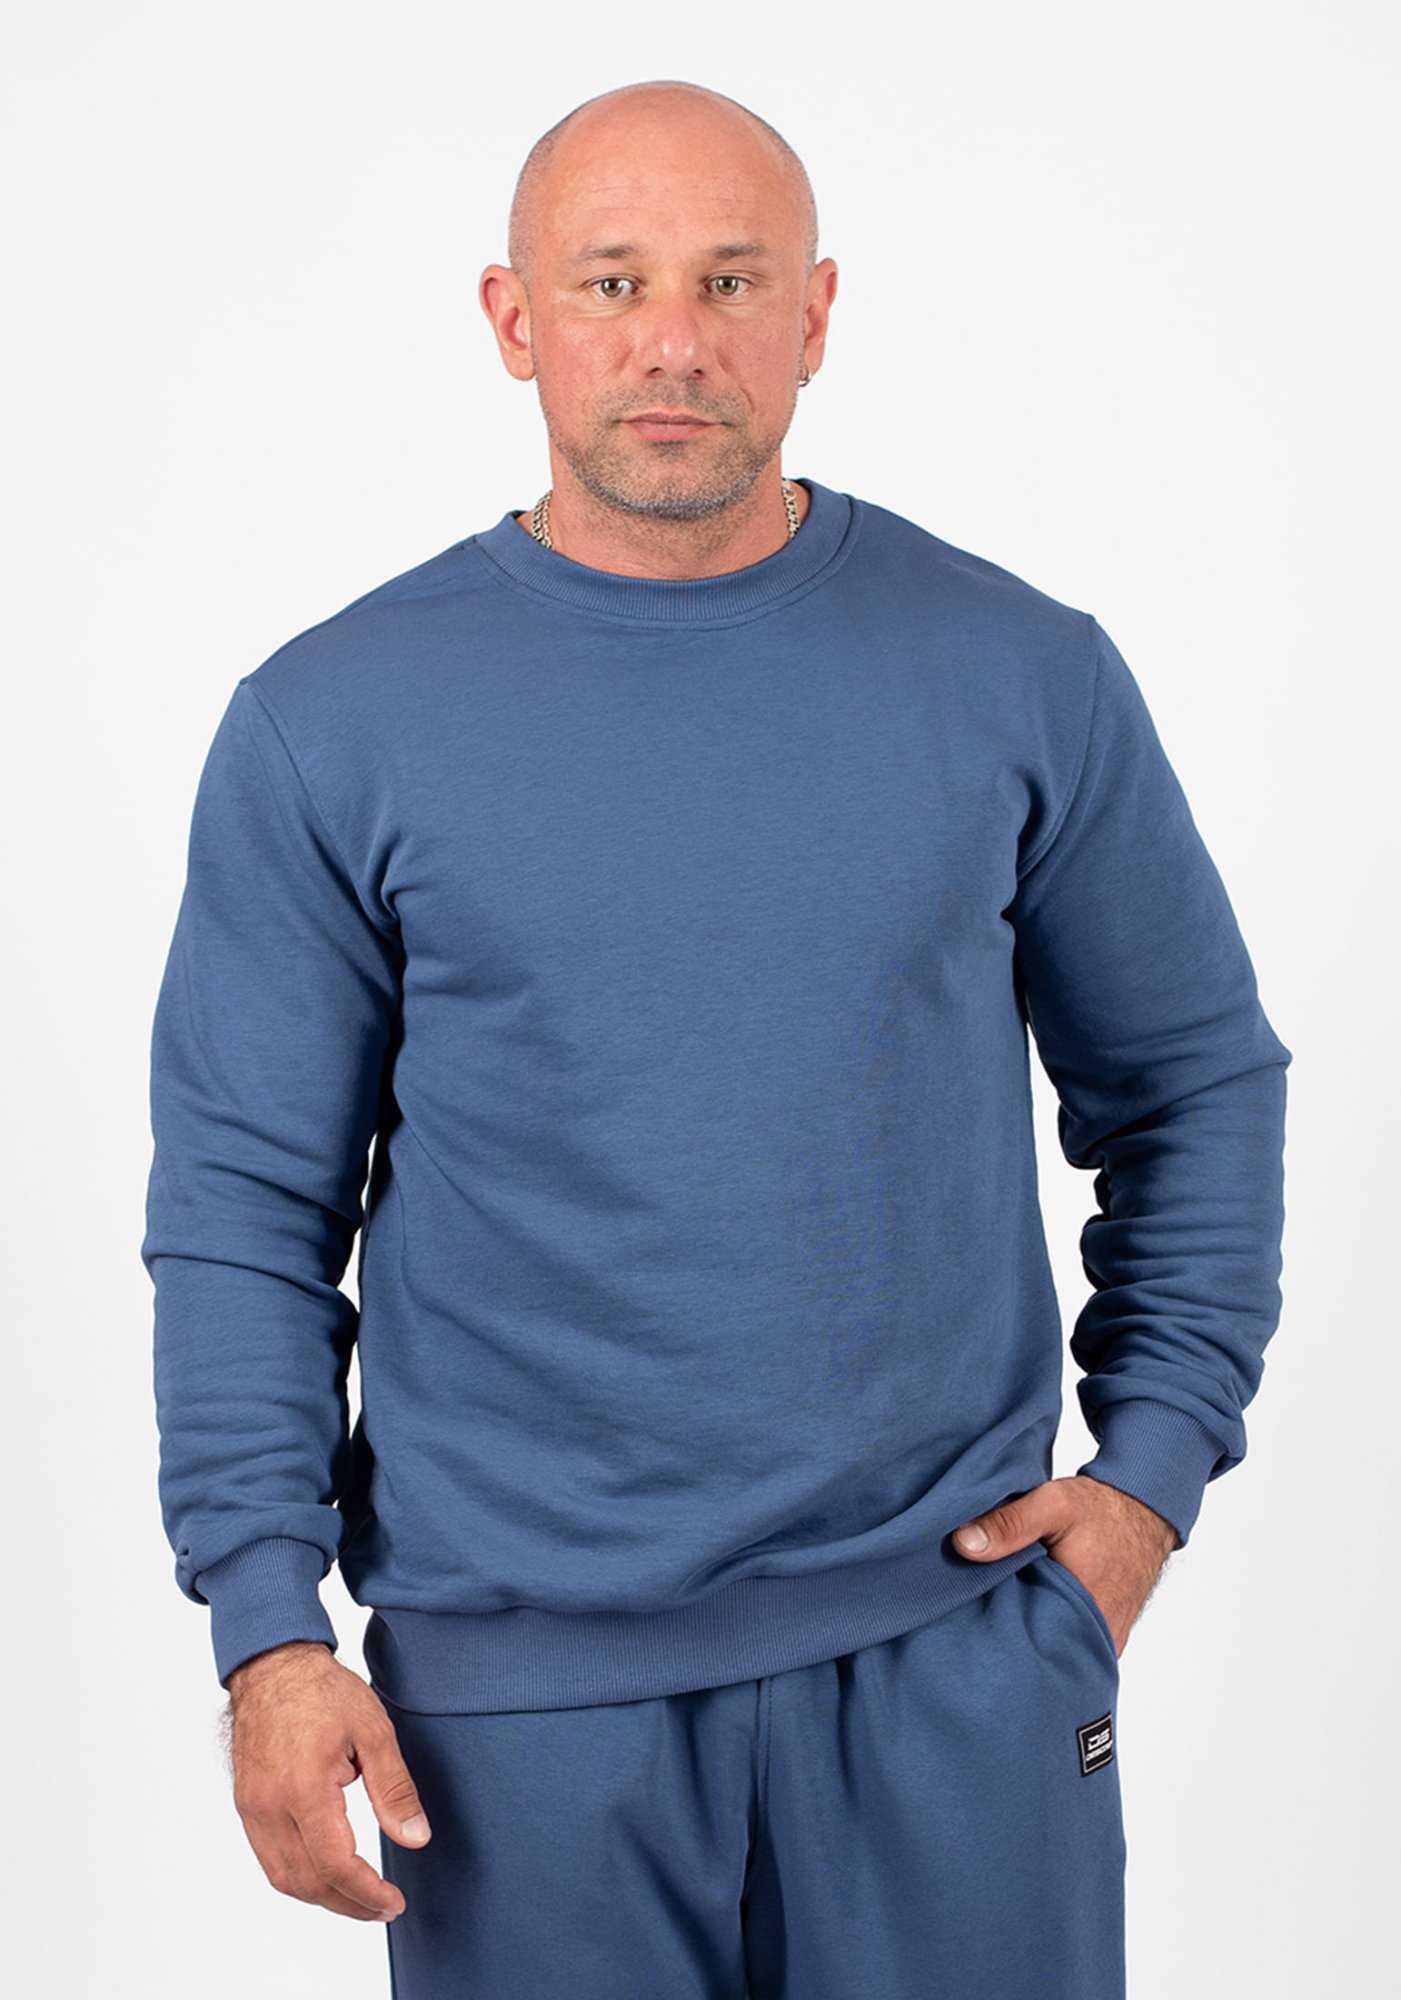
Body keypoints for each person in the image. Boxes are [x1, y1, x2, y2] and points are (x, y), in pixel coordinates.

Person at [141, 76, 1292, 1999]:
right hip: (512, 1723)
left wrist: (1146, 1481)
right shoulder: (331, 721)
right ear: (514, 319)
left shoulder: (1019, 672)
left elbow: (1191, 1086)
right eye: (611, 281)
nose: (670, 340)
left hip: (955, 1667)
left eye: (730, 280)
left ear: (815, 314)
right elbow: (248, 1211)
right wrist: (267, 1628)